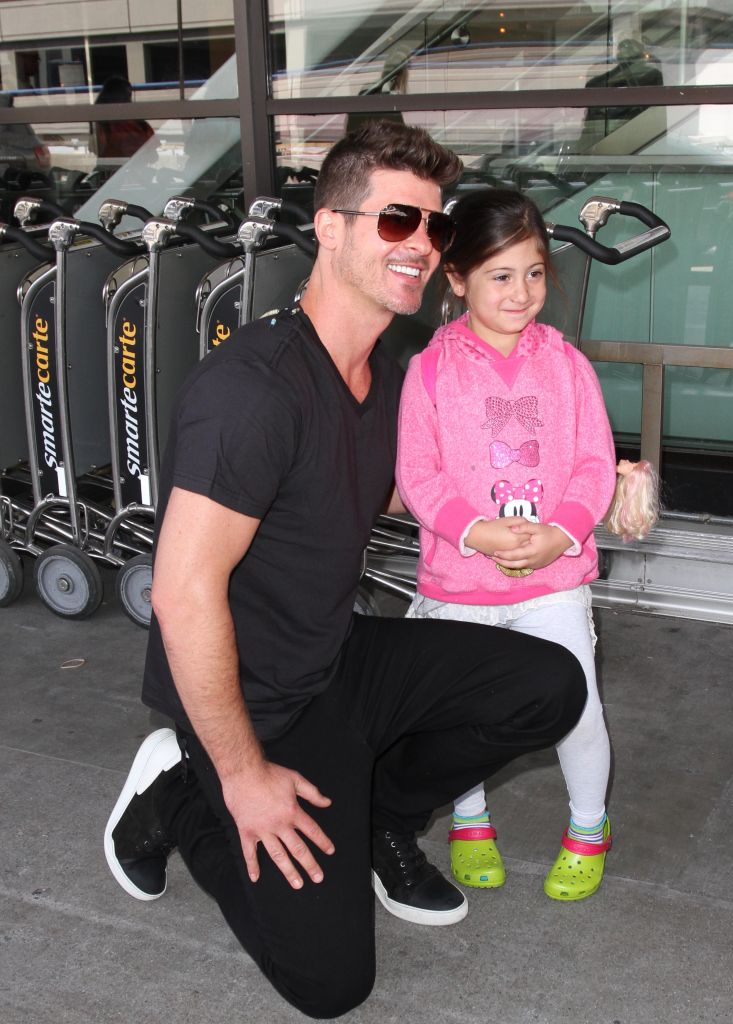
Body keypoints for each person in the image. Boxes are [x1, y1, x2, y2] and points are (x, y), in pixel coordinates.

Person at [103, 123, 586, 1019]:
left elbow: (405, 489)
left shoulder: (390, 369)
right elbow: (182, 592)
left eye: (435, 229)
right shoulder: (251, 391)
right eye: (396, 220)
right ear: (328, 227)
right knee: (331, 984)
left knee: (549, 686)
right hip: (250, 699)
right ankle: (179, 799)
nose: (421, 246)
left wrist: (549, 497)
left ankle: (378, 818)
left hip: (330, 657)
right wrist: (244, 778)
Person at [396, 187, 619, 900]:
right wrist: (477, 530)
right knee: (464, 717)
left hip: (555, 580)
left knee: (577, 707)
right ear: (455, 279)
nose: (521, 292)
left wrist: (561, 533)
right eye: (499, 275)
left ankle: (589, 826)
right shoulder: (429, 371)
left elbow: (594, 463)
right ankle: (469, 819)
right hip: (461, 582)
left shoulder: (568, 365)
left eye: (532, 272)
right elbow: (418, 475)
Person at [92, 75, 154, 162]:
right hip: (126, 170)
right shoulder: (139, 123)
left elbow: (95, 149)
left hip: (115, 170)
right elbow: (153, 156)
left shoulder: (102, 123)